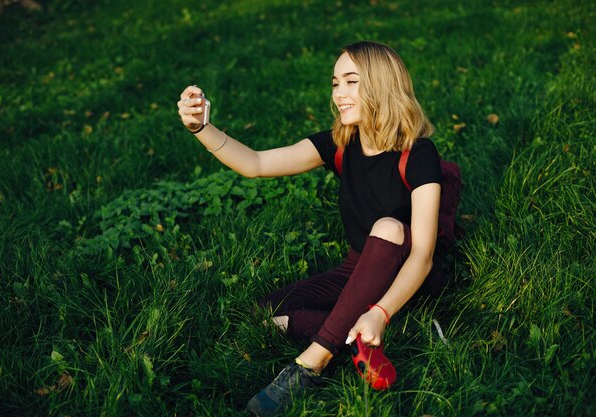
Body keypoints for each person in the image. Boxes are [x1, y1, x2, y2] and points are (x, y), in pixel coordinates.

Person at [177, 40, 446, 417]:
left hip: (406, 275)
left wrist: (382, 312)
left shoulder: (418, 154)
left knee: (387, 227)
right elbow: (255, 163)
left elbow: (423, 256)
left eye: (351, 82)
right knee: (268, 314)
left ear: (382, 84)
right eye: (335, 83)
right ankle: (356, 334)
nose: (339, 94)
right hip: (357, 268)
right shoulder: (340, 143)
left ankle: (310, 365)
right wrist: (202, 128)